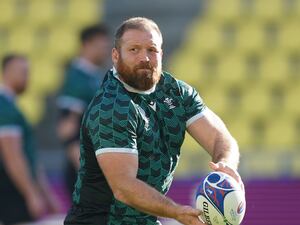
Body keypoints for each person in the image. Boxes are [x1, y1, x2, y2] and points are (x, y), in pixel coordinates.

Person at [64, 17, 244, 225]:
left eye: (152, 50)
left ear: (161, 53)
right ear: (115, 55)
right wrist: (176, 212)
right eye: (134, 50)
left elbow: (220, 138)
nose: (145, 57)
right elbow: (124, 187)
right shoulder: (112, 106)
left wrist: (226, 168)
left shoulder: (177, 92)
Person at [0, 54, 60, 225]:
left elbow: (29, 156)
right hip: (11, 189)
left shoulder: (11, 106)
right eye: (23, 72)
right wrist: (31, 193)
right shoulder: (4, 108)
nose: (28, 78)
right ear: (8, 73)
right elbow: (13, 156)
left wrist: (45, 193)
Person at [56, 24, 110, 197]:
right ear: (87, 45)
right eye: (101, 47)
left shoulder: (92, 76)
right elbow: (67, 130)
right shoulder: (77, 79)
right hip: (86, 169)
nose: (105, 51)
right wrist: (87, 173)